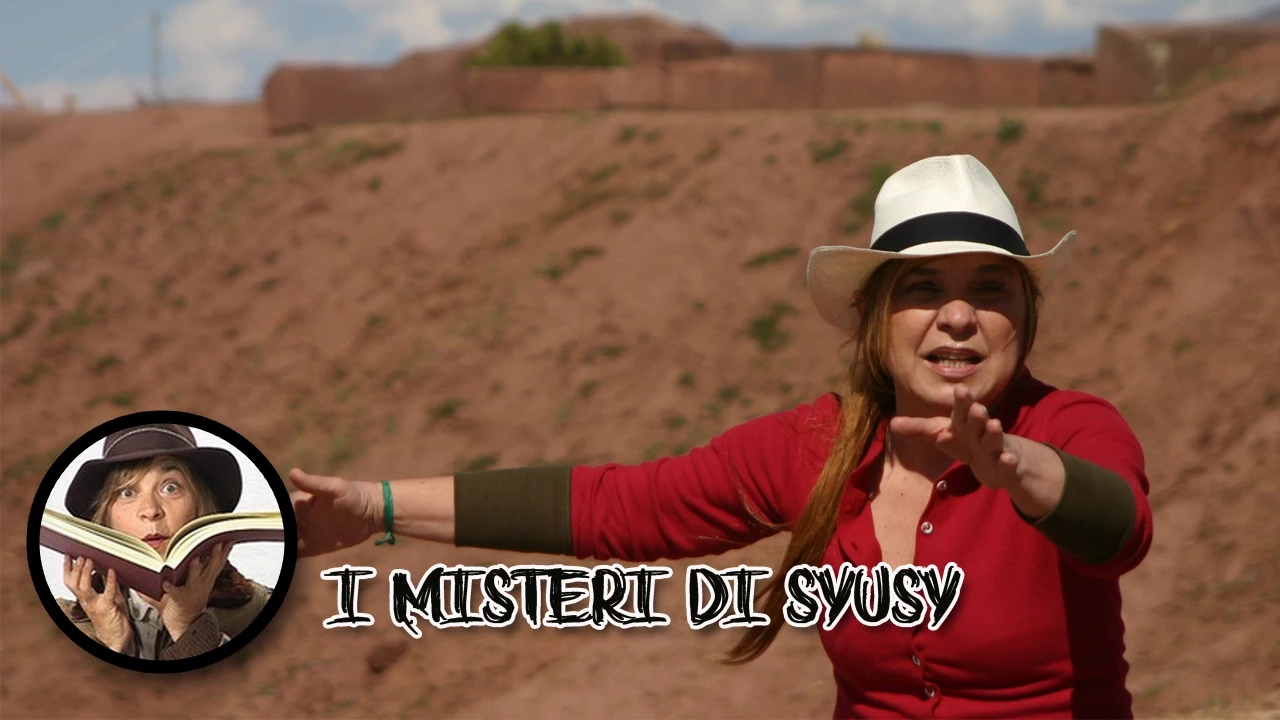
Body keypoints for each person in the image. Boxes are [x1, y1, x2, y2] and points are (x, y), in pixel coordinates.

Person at [288, 155, 1153, 718]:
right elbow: (623, 508)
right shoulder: (817, 447)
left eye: (991, 289)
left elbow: (1118, 529)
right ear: (873, 316)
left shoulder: (1071, 426)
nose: (959, 316)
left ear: (1023, 314)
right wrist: (375, 507)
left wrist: (1022, 473)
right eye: (924, 287)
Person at [56, 423, 273, 660]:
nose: (150, 510)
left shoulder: (261, 609)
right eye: (127, 492)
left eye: (170, 488)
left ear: (201, 508)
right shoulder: (62, 622)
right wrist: (110, 643)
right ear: (106, 519)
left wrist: (190, 626)